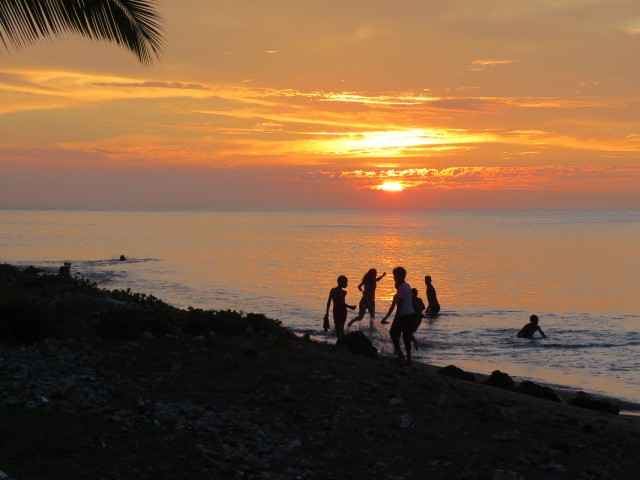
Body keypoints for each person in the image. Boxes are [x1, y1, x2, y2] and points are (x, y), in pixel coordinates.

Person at [380, 267, 417, 365]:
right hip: (410, 314)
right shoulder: (407, 285)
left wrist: (396, 318)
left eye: (395, 276)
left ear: (401, 276)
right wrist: (418, 312)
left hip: (404, 315)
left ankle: (401, 355)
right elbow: (413, 300)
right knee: (406, 337)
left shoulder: (401, 287)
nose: (394, 278)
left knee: (393, 333)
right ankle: (407, 359)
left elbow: (400, 304)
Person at [324, 275, 356, 339]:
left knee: (338, 328)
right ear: (341, 282)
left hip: (336, 311)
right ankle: (341, 342)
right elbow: (341, 303)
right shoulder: (343, 292)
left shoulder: (333, 290)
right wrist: (350, 307)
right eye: (346, 282)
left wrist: (327, 313)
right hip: (342, 311)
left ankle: (340, 341)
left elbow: (329, 302)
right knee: (341, 328)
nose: (347, 284)